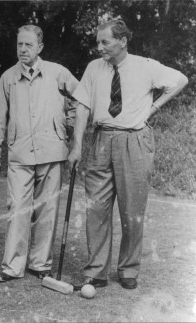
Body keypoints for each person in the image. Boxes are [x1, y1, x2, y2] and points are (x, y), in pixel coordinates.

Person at [68, 19, 188, 290]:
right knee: (96, 208)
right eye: (98, 42)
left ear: (122, 41)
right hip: (100, 140)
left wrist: (154, 108)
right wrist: (76, 145)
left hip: (134, 141)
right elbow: (83, 105)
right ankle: (96, 271)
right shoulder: (93, 68)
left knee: (132, 209)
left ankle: (128, 269)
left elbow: (180, 80)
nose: (99, 47)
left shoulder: (145, 66)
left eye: (105, 42)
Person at [0, 25, 79, 283]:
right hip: (19, 153)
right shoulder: (8, 77)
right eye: (19, 45)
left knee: (47, 209)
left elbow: (82, 101)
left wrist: (67, 126)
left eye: (28, 45)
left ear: (40, 47)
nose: (23, 49)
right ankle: (13, 266)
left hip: (52, 150)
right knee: (17, 208)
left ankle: (40, 263)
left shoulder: (58, 73)